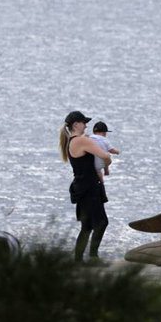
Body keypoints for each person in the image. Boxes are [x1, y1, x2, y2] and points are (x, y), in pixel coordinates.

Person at [58, 111, 111, 264]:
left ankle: (78, 260)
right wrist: (107, 165)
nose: (86, 125)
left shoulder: (72, 141)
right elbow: (105, 156)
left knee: (87, 226)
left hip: (81, 187)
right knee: (101, 222)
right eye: (83, 122)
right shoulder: (81, 141)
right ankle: (93, 257)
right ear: (75, 125)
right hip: (89, 188)